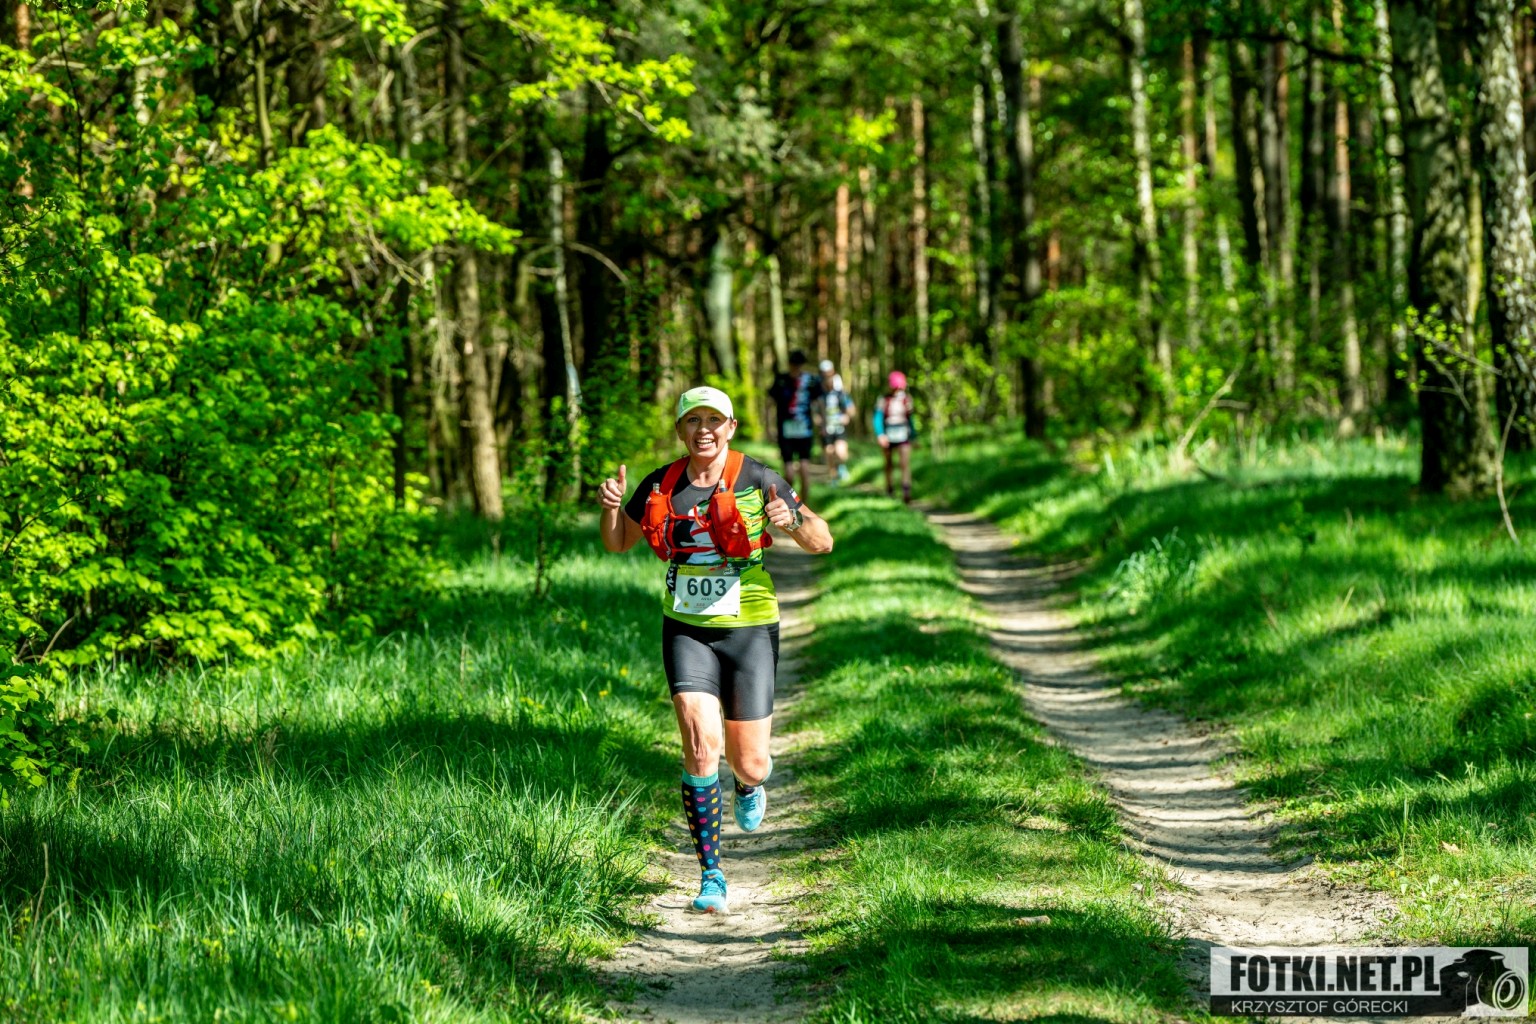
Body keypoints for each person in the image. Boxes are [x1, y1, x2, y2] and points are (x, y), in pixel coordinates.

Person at [597, 386, 834, 915]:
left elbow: (823, 541)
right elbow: (618, 542)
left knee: (750, 762)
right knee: (701, 745)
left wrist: (792, 521)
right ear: (680, 430)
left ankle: (749, 786)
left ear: (730, 427)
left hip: (749, 626)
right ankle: (711, 875)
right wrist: (612, 510)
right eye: (692, 420)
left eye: (713, 420)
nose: (703, 429)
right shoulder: (660, 482)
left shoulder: (758, 478)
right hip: (686, 628)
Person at [768, 351, 821, 502]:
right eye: (793, 364)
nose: (796, 368)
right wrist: (769, 427)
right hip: (786, 431)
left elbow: (819, 402)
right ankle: (788, 503)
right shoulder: (781, 380)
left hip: (805, 430)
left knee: (804, 469)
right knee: (789, 473)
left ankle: (804, 505)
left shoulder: (810, 381)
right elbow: (769, 403)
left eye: (798, 365)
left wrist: (821, 421)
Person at [874, 370, 916, 503]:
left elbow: (910, 419)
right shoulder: (883, 400)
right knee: (889, 464)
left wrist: (914, 436)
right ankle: (889, 489)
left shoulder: (906, 400)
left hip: (904, 435)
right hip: (888, 435)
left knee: (905, 463)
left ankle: (906, 490)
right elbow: (878, 418)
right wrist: (880, 434)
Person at [816, 360, 855, 485]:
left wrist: (847, 416)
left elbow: (851, 408)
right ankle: (833, 478)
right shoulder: (818, 393)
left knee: (841, 453)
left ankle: (841, 467)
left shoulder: (840, 392)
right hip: (826, 429)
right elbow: (814, 411)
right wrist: (818, 421)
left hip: (838, 428)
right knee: (829, 452)